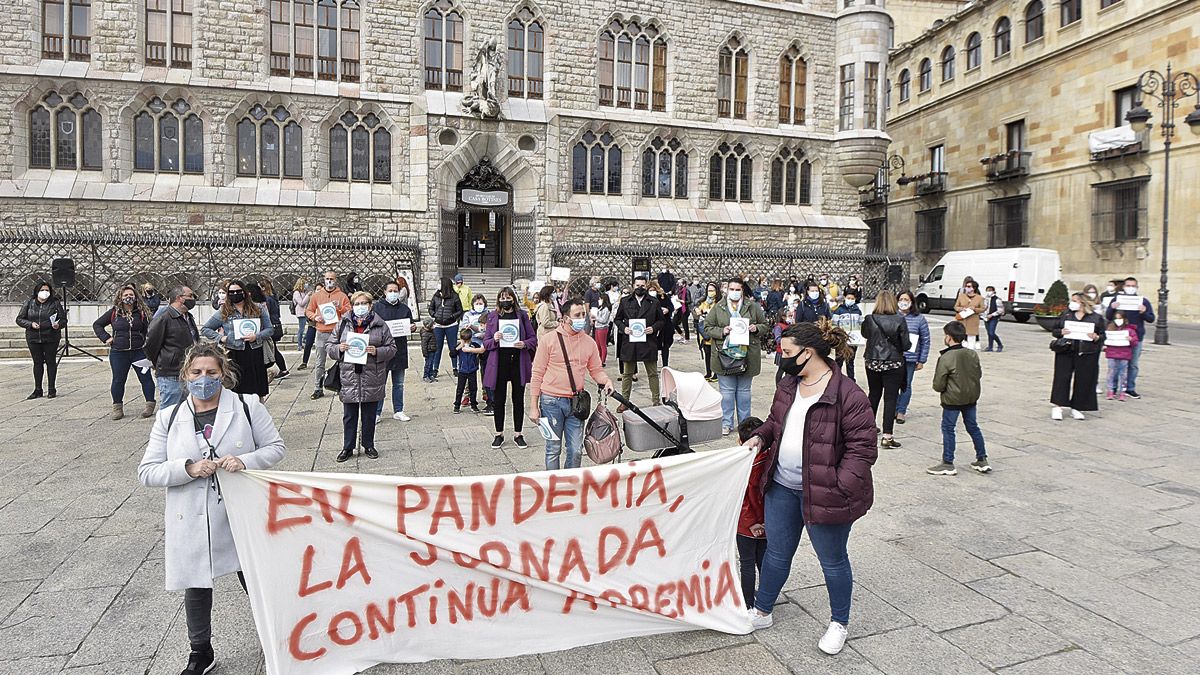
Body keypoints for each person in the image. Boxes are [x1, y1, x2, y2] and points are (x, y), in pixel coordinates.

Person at [137, 341, 284, 675]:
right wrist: (187, 469)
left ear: (223, 374)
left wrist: (245, 460)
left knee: (257, 578)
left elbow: (275, 447)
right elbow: (147, 472)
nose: (204, 379)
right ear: (186, 376)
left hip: (240, 512)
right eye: (197, 372)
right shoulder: (169, 416)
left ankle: (278, 635)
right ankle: (200, 651)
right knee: (197, 583)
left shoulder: (247, 406)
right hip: (192, 514)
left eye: (212, 372)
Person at [741, 320, 877, 656]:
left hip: (827, 494)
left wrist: (839, 484)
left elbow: (864, 449)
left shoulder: (848, 394)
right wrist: (760, 438)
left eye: (786, 352)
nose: (781, 358)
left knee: (832, 560)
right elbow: (775, 421)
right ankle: (762, 610)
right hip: (782, 487)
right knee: (775, 552)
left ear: (808, 352)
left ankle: (838, 622)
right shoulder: (788, 384)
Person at [529, 298, 615, 470]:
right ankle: (553, 486)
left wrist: (606, 380)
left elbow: (596, 369)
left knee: (575, 450)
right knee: (553, 449)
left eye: (583, 314)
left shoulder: (589, 342)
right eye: (577, 315)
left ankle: (570, 486)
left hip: (576, 404)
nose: (581, 318)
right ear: (565, 318)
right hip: (551, 401)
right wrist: (533, 405)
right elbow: (537, 373)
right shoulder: (548, 340)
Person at [328, 292, 396, 462]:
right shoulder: (342, 324)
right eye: (357, 303)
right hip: (349, 375)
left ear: (370, 305)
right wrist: (339, 349)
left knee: (369, 415)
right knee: (349, 415)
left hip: (372, 376)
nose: (360, 306)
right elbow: (329, 345)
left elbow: (392, 348)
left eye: (364, 303)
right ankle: (348, 447)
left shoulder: (380, 325)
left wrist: (377, 351)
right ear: (352, 305)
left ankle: (369, 444)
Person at [704, 277, 770, 436]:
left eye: (737, 289)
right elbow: (707, 327)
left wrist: (756, 328)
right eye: (731, 289)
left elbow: (765, 325)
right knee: (726, 393)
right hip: (724, 355)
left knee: (744, 393)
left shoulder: (752, 307)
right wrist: (722, 331)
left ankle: (745, 424)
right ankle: (726, 423)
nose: (734, 292)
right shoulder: (719, 307)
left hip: (747, 355)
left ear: (742, 290)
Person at [926, 321, 991, 476]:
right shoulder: (972, 354)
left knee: (948, 429)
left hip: (952, 399)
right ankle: (982, 458)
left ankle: (948, 462)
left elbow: (938, 384)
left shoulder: (947, 357)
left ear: (948, 337)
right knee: (973, 427)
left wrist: (943, 389)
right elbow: (978, 374)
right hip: (971, 397)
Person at [483, 287, 538, 450]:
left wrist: (525, 344)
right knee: (499, 400)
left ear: (513, 299)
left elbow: (533, 338)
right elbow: (485, 343)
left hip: (517, 362)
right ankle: (499, 433)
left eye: (508, 297)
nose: (505, 300)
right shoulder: (493, 316)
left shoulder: (521, 316)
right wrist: (494, 338)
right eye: (502, 297)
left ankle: (518, 433)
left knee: (518, 399)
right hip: (499, 363)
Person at [93, 284, 157, 420]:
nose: (129, 297)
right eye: (126, 295)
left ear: (136, 297)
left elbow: (150, 330)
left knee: (145, 378)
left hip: (139, 351)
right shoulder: (114, 313)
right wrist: (106, 338)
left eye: (131, 295)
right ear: (120, 298)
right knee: (118, 380)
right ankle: (117, 407)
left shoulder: (142, 312)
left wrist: (149, 345)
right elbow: (97, 324)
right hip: (119, 352)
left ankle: (150, 405)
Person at [201, 280, 273, 399]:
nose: (235, 294)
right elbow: (206, 329)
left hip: (255, 351)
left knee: (257, 390)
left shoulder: (258, 308)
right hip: (235, 352)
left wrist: (257, 336)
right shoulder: (224, 311)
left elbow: (269, 329)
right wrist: (221, 338)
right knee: (238, 388)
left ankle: (256, 412)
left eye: (238, 291)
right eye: (232, 292)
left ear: (245, 293)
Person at [861, 290, 911, 449]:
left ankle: (867, 429)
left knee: (874, 393)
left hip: (873, 360)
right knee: (891, 398)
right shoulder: (899, 320)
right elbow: (905, 344)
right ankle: (887, 436)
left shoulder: (870, 319)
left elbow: (865, 334)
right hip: (893, 361)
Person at [615, 276, 668, 410]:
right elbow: (618, 319)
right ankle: (624, 401)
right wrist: (623, 328)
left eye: (642, 286)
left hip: (648, 341)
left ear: (646, 286)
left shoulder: (654, 302)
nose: (640, 288)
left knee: (652, 373)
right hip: (630, 341)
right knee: (627, 373)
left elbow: (662, 321)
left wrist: (653, 328)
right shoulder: (625, 301)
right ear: (633, 286)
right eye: (637, 285)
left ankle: (656, 400)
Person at [1051, 293, 1106, 420]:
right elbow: (1055, 330)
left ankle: (1077, 407)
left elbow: (1102, 335)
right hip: (1066, 350)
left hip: (1086, 352)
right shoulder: (1066, 314)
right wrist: (1061, 332)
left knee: (1084, 380)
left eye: (1075, 300)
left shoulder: (1095, 318)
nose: (1072, 303)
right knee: (1061, 378)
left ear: (1083, 303)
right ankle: (1058, 406)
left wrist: (1096, 337)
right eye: (1072, 300)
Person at [144, 286, 199, 409]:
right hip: (171, 374)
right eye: (190, 296)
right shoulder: (164, 318)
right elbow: (151, 345)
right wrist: (160, 362)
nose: (193, 299)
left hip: (189, 371)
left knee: (187, 409)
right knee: (170, 410)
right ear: (179, 298)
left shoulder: (188, 317)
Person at [736, 416, 767, 607]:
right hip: (768, 522)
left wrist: (750, 523)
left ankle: (747, 603)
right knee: (764, 561)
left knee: (747, 563)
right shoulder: (771, 462)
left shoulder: (743, 467)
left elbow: (742, 500)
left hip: (746, 525)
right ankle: (766, 599)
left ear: (741, 441)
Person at [305, 271, 351, 399]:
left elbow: (349, 312)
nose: (329, 281)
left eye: (332, 279)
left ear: (336, 280)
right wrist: (315, 317)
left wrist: (340, 308)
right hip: (322, 331)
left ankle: (340, 385)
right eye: (327, 278)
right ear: (324, 280)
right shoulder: (316, 296)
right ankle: (318, 387)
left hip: (338, 332)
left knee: (341, 360)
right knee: (320, 361)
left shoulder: (342, 296)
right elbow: (308, 310)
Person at [1104, 277, 1153, 399]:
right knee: (1115, 363)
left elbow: (1151, 319)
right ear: (1124, 287)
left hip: (1135, 337)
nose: (1130, 288)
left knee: (1133, 364)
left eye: (1133, 286)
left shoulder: (1143, 301)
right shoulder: (1117, 299)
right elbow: (1108, 316)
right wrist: (1112, 307)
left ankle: (1129, 388)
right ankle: (1113, 388)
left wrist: (1144, 312)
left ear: (1136, 288)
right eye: (1128, 285)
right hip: (1117, 336)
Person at [17, 281, 67, 400]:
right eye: (42, 290)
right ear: (37, 291)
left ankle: (51, 388)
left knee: (51, 362)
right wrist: (30, 324)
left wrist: (58, 325)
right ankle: (38, 389)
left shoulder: (54, 303)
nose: (45, 293)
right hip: (33, 337)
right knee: (37, 363)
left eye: (47, 290)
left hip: (50, 337)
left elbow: (63, 319)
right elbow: (19, 319)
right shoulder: (29, 303)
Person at [373, 281, 413, 422]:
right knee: (380, 384)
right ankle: (377, 412)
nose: (393, 293)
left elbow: (410, 324)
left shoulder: (404, 309)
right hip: (383, 351)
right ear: (384, 292)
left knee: (399, 384)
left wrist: (411, 327)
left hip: (400, 350)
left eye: (395, 290)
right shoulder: (377, 308)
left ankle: (398, 410)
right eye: (390, 290)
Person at [894, 290, 931, 425]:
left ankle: (901, 411)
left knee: (906, 385)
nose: (903, 302)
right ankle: (895, 407)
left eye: (906, 299)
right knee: (893, 384)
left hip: (910, 357)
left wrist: (922, 359)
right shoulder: (893, 316)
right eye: (901, 299)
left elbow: (925, 339)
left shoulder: (919, 318)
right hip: (894, 356)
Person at [427, 277, 465, 381]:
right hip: (438, 326)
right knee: (437, 348)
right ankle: (435, 368)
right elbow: (431, 308)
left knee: (452, 347)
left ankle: (455, 367)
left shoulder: (454, 296)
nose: (438, 284)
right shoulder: (436, 296)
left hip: (451, 325)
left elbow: (459, 310)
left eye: (440, 283)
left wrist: (452, 316)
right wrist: (435, 315)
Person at [251, 281, 288, 380]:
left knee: (273, 349)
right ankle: (283, 369)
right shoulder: (273, 297)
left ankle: (282, 369)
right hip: (276, 324)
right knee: (274, 349)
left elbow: (266, 315)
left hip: (271, 325)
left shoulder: (266, 300)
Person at [1104, 310, 1139, 401]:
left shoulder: (1129, 330)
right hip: (1112, 352)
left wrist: (1131, 339)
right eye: (1116, 318)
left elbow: (1135, 342)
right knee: (1111, 373)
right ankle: (1110, 390)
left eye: (1120, 318)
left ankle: (1122, 391)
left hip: (1124, 354)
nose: (1118, 320)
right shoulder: (1110, 328)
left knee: (1123, 374)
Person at [831, 289, 862, 382]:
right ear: (845, 298)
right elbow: (834, 324)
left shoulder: (857, 311)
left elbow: (861, 324)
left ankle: (851, 380)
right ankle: (836, 379)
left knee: (850, 362)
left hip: (853, 341)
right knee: (839, 361)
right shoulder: (839, 310)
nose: (850, 299)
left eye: (852, 298)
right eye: (848, 298)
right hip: (842, 340)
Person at [695, 283, 720, 382]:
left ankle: (716, 373)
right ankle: (708, 372)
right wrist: (697, 311)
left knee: (715, 355)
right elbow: (698, 310)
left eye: (712, 290)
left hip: (714, 331)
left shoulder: (719, 303)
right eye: (709, 290)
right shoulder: (704, 302)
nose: (710, 293)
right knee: (707, 353)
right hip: (704, 331)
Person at [454, 328, 482, 414]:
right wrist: (459, 346)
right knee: (460, 389)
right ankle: (457, 405)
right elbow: (452, 354)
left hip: (472, 370)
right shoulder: (459, 346)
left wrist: (473, 350)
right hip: (462, 370)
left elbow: (481, 352)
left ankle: (473, 404)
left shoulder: (474, 345)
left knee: (473, 388)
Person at [953, 280, 986, 350]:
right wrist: (962, 309)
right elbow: (956, 307)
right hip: (962, 319)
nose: (966, 288)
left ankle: (971, 350)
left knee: (971, 337)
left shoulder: (979, 298)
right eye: (966, 286)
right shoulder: (961, 296)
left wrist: (974, 309)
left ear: (973, 288)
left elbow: (983, 309)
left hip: (973, 320)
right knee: (961, 336)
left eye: (968, 286)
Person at [649, 281, 675, 367]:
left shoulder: (663, 297)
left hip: (665, 325)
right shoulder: (646, 299)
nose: (652, 291)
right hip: (652, 325)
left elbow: (671, 307)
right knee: (653, 347)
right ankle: (653, 364)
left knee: (665, 346)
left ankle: (665, 365)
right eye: (650, 290)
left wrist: (667, 309)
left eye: (653, 290)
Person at [982, 285, 1005, 352]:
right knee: (989, 333)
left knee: (991, 332)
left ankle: (1000, 344)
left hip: (994, 318)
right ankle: (990, 347)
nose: (988, 292)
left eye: (990, 290)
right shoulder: (986, 299)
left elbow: (1000, 310)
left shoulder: (997, 299)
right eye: (987, 290)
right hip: (986, 317)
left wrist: (992, 315)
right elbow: (985, 307)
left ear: (993, 291)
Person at [292, 278, 312, 354]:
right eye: (305, 284)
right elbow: (301, 303)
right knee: (301, 329)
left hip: (306, 312)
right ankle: (300, 344)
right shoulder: (297, 293)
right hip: (301, 313)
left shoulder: (303, 292)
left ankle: (304, 340)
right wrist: (308, 295)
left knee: (311, 326)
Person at [592, 293, 612, 366]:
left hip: (603, 328)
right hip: (598, 327)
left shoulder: (606, 309)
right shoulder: (601, 307)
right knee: (598, 345)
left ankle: (602, 360)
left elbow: (604, 320)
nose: (599, 300)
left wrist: (596, 317)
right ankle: (598, 359)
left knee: (602, 345)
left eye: (600, 299)